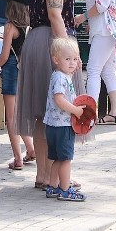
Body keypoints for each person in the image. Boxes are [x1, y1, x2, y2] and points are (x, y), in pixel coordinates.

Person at [16, 0, 84, 191]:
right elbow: (56, 15)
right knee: (54, 111)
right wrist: (66, 50)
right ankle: (53, 176)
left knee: (42, 112)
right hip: (51, 41)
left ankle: (45, 174)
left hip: (37, 38)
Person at [0, 0, 36, 170]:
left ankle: (17, 158)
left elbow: (4, 55)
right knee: (20, 115)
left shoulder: (10, 27)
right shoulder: (29, 25)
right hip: (24, 71)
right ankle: (31, 149)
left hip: (11, 71)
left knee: (11, 118)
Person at [43, 37, 87, 202]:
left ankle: (53, 187)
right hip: (63, 125)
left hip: (52, 125)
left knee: (57, 158)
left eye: (75, 59)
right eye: (67, 59)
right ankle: (65, 189)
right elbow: (59, 99)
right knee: (66, 159)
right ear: (56, 60)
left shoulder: (59, 75)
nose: (72, 63)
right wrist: (75, 110)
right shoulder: (61, 78)